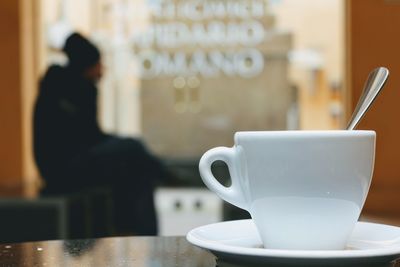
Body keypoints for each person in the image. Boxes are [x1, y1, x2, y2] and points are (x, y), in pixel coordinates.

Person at [33, 32, 167, 235]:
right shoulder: (78, 88)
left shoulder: (57, 84)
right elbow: (90, 137)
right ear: (88, 65)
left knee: (137, 169)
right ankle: (166, 180)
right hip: (64, 171)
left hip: (62, 168)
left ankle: (137, 233)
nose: (102, 69)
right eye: (99, 63)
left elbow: (89, 137)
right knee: (134, 149)